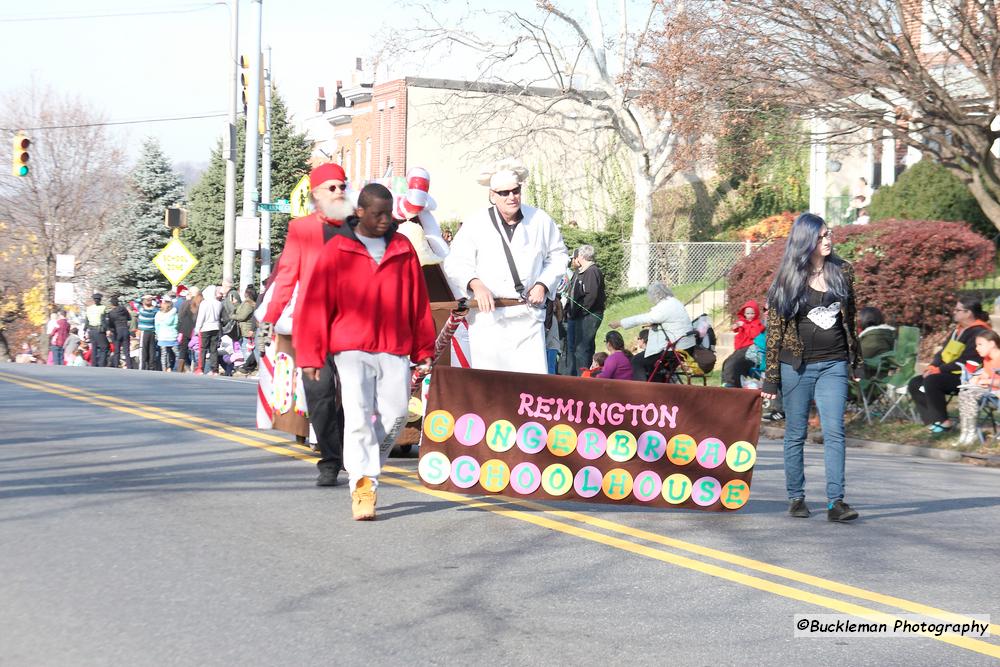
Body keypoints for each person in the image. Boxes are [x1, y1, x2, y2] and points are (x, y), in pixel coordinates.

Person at [296, 183, 435, 520]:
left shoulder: (402, 248)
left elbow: (418, 302)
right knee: (357, 416)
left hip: (394, 345)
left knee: (398, 414)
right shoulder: (338, 249)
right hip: (350, 346)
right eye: (378, 214)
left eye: (389, 213)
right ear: (360, 213)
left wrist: (424, 346)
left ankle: (364, 466)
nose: (386, 220)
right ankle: (363, 484)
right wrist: (311, 355)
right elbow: (315, 305)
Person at [761, 213, 861, 523]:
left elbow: (851, 319)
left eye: (829, 234)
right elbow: (775, 333)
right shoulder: (786, 280)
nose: (828, 240)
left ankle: (836, 501)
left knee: (835, 432)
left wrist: (855, 361)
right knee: (795, 433)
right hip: (797, 366)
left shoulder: (843, 272)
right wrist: (771, 381)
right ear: (806, 241)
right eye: (820, 237)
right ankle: (796, 497)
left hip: (834, 363)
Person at [263, 162, 352, 486]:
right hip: (312, 325)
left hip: (352, 323)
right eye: (332, 187)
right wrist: (270, 318)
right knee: (320, 394)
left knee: (355, 393)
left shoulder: (358, 225)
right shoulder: (301, 230)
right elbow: (287, 276)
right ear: (316, 194)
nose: (339, 192)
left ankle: (348, 451)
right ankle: (330, 459)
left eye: (343, 186)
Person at [443, 158, 569, 374]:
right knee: (491, 386)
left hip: (527, 318)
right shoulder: (476, 222)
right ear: (493, 195)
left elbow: (558, 256)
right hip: (488, 320)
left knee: (529, 386)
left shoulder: (540, 220)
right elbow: (456, 262)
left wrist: (543, 284)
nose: (512, 197)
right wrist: (476, 284)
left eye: (515, 191)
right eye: (504, 193)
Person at [907, 296, 990, 433]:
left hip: (966, 376)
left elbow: (968, 360)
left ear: (968, 313)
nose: (954, 312)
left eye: (957, 310)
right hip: (946, 372)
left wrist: (939, 370)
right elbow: (942, 353)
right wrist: (933, 367)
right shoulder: (958, 330)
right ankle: (933, 421)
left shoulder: (980, 332)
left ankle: (943, 422)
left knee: (933, 380)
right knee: (915, 383)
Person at [609, 282, 694, 381]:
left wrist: (620, 323)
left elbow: (642, 318)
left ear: (655, 295)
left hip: (675, 349)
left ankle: (641, 390)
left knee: (637, 361)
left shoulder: (664, 306)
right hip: (687, 346)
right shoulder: (674, 302)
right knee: (653, 364)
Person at [565, 244, 606, 376]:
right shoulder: (580, 272)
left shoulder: (592, 271)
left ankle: (582, 378)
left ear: (581, 256)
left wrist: (581, 312)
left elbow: (591, 296)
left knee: (582, 349)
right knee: (576, 348)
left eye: (576, 256)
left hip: (588, 316)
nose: (574, 259)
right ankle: (573, 376)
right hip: (577, 316)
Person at [956, 330, 1000, 447]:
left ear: (992, 344)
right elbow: (986, 374)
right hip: (991, 392)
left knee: (970, 395)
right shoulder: (987, 359)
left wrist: (984, 381)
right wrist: (977, 378)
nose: (976, 348)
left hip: (997, 394)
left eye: (980, 344)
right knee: (964, 393)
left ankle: (972, 433)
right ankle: (965, 432)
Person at [721, 300, 765, 387]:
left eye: (752, 313)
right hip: (740, 348)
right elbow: (735, 329)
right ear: (744, 313)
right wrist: (736, 326)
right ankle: (725, 382)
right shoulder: (742, 321)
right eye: (748, 313)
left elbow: (754, 334)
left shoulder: (757, 324)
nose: (750, 316)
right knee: (727, 362)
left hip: (750, 347)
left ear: (756, 313)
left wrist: (744, 325)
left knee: (732, 362)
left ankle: (730, 383)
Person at [195, 285, 222, 375]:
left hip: (205, 328)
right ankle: (214, 369)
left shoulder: (204, 303)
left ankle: (200, 368)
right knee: (213, 349)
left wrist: (197, 328)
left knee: (203, 349)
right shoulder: (218, 303)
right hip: (216, 327)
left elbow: (201, 317)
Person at [105, 296, 133, 369]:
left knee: (117, 351)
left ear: (112, 304)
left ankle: (116, 366)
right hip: (125, 330)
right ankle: (129, 366)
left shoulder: (111, 313)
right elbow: (129, 318)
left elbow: (110, 324)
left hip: (117, 332)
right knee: (127, 351)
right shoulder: (123, 309)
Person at [155, 296, 179, 372]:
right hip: (172, 336)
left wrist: (158, 333)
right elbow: (176, 324)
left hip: (162, 336)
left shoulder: (158, 314)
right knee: (177, 353)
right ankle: (177, 368)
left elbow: (157, 325)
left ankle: (164, 368)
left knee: (163, 354)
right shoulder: (174, 314)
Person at [85, 293, 109, 367]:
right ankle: (102, 364)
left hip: (91, 330)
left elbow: (86, 320)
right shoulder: (103, 308)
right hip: (99, 330)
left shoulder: (89, 308)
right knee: (104, 347)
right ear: (100, 299)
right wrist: (107, 329)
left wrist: (85, 330)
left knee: (94, 347)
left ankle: (94, 364)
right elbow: (104, 320)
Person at [137, 295, 158, 370]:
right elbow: (158, 304)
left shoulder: (141, 310)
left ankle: (142, 366)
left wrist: (143, 297)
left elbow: (135, 301)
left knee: (143, 349)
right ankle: (151, 366)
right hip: (152, 331)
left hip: (144, 331)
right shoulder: (155, 310)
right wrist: (153, 298)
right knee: (151, 349)